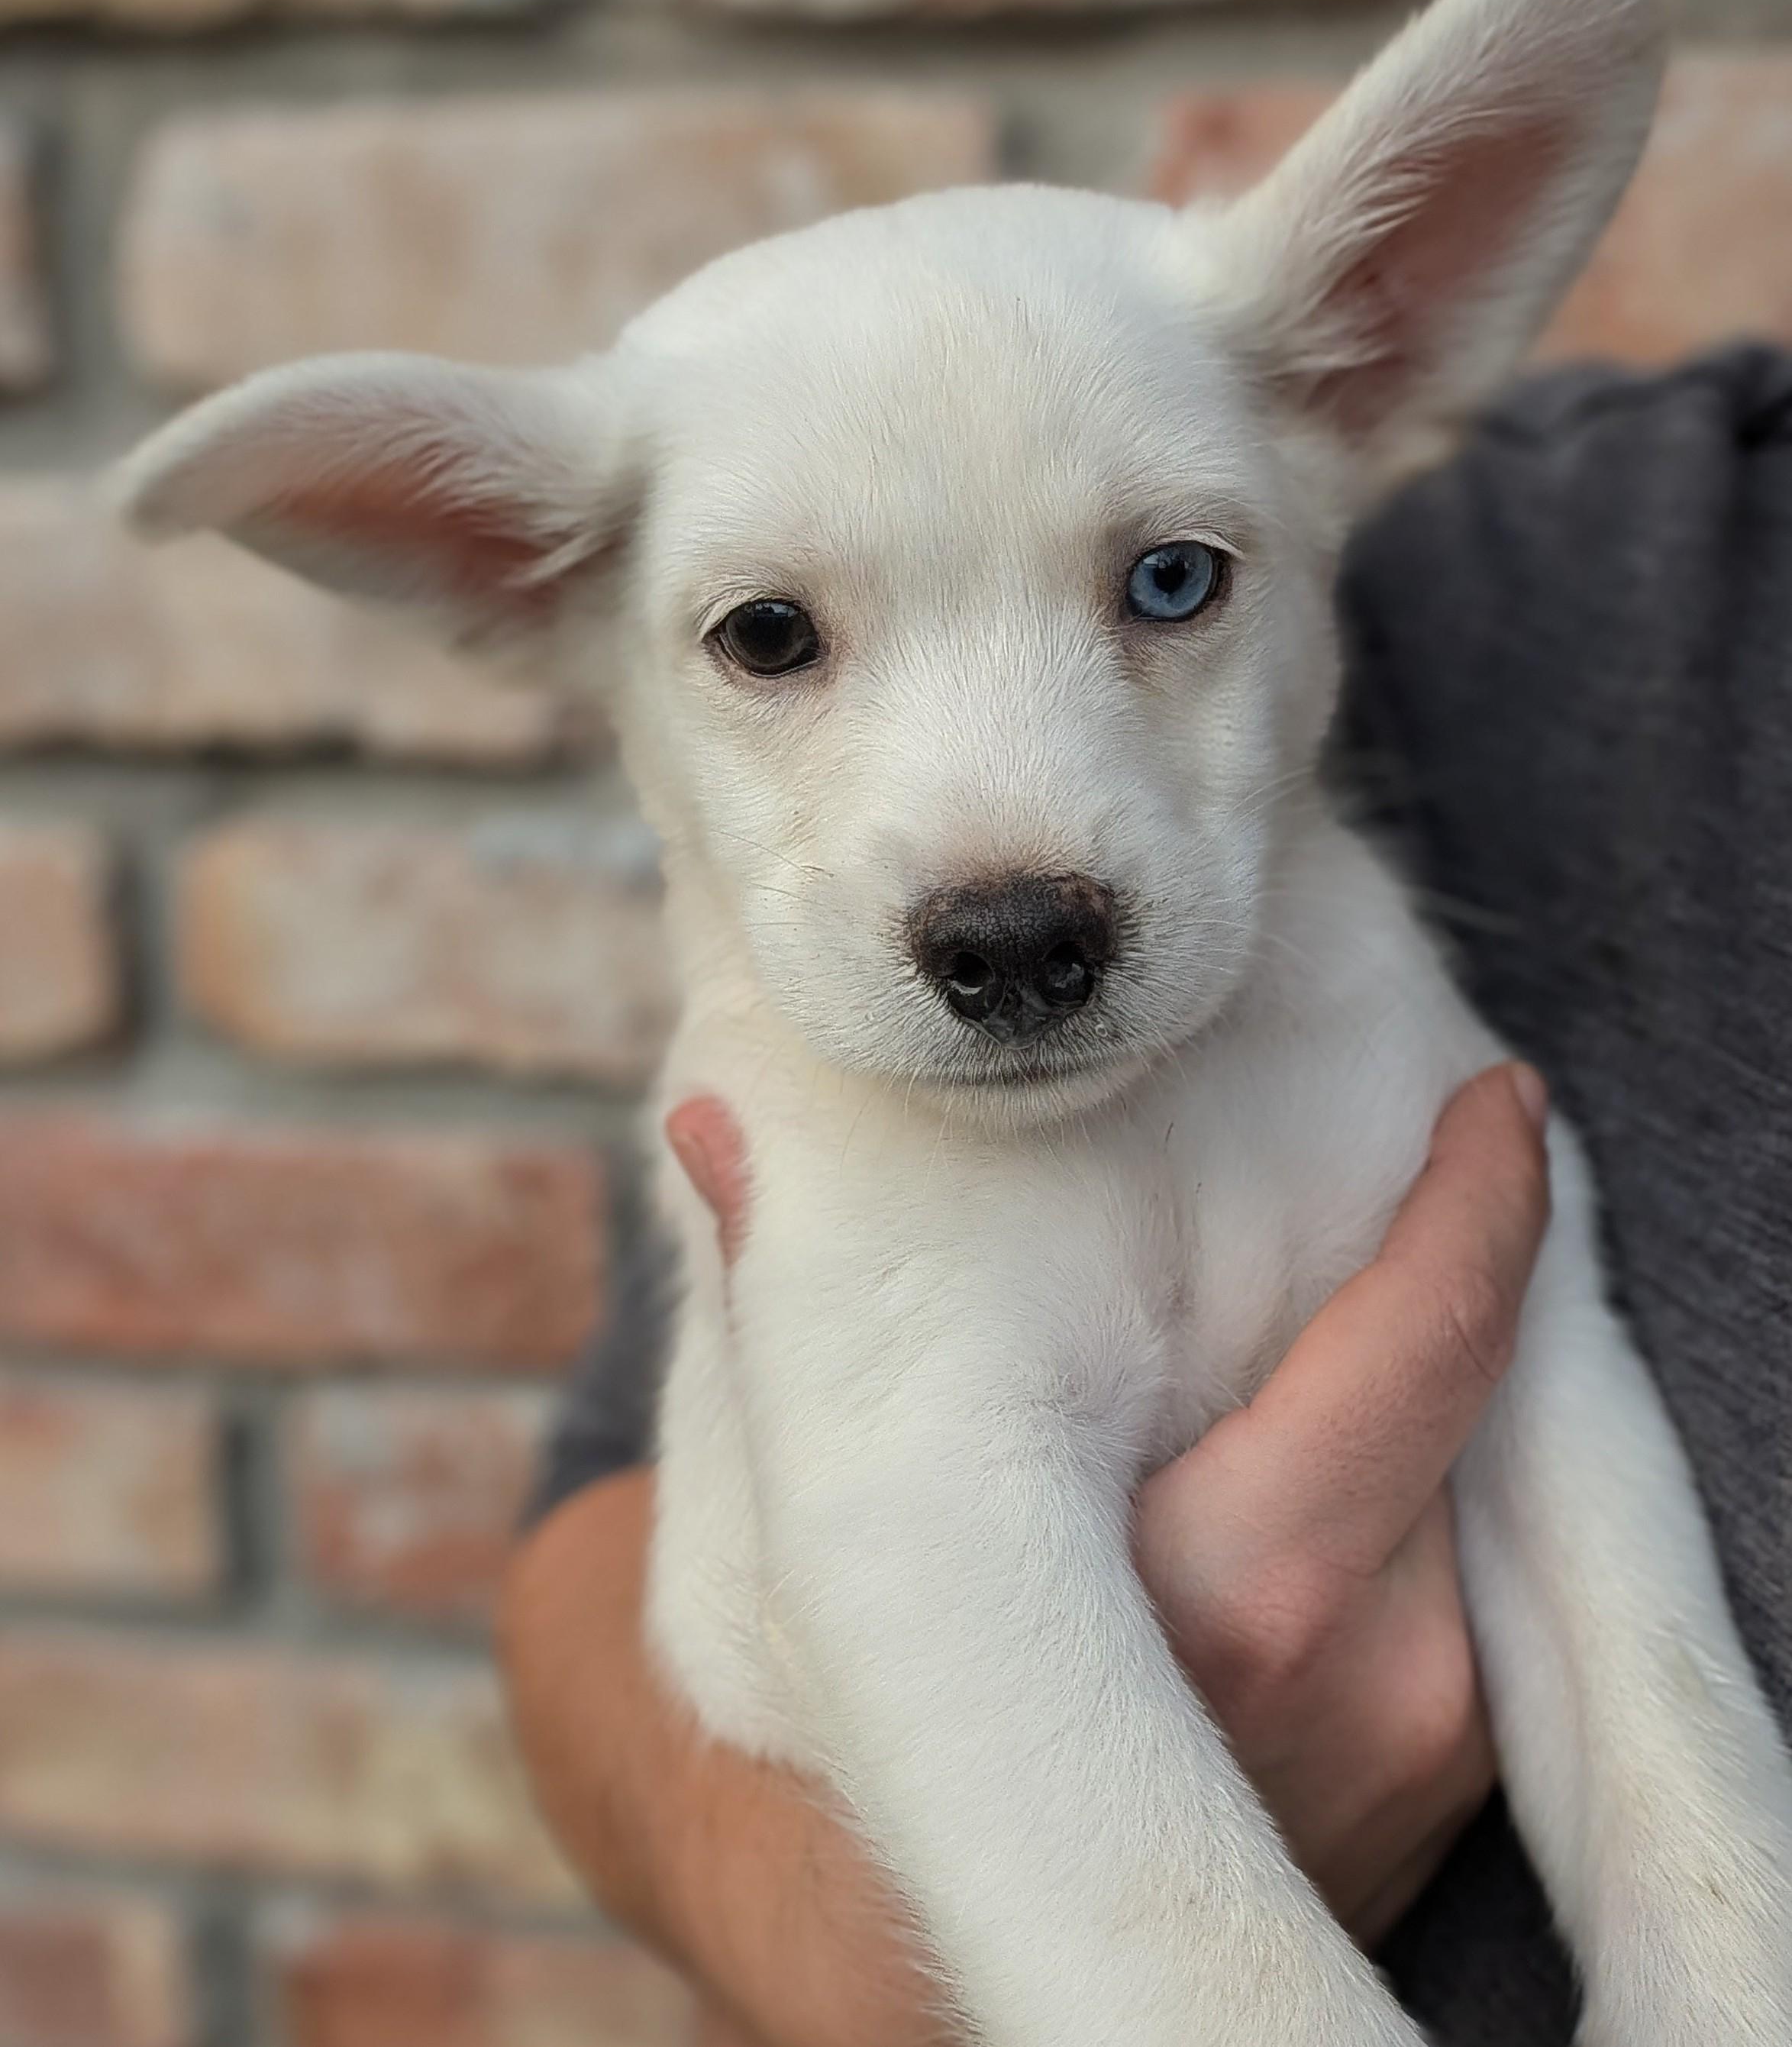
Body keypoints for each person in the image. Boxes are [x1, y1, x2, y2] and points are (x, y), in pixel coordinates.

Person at [500, 346, 1792, 2045]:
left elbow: (1551, 1445)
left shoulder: (1355, 954)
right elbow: (655, 1547)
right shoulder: (1602, 517)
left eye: (1165, 584)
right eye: (770, 635)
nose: (1013, 888)